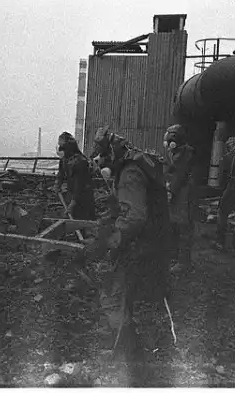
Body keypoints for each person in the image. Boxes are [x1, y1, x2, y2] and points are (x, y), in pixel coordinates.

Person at [85, 126, 171, 356]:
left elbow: (134, 217)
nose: (101, 165)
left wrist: (110, 242)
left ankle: (129, 347)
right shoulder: (130, 165)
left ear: (110, 155)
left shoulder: (129, 175)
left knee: (116, 291)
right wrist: (104, 225)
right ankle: (133, 341)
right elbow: (119, 205)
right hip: (154, 238)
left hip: (145, 243)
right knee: (134, 293)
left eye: (102, 160)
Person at [163, 124, 196, 270]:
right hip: (178, 190)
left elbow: (181, 174)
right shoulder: (176, 152)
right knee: (173, 223)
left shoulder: (186, 153)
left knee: (184, 226)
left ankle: (183, 262)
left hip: (184, 192)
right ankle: (174, 256)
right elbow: (172, 168)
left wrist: (171, 190)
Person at [52, 132, 96, 221]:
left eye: (61, 147)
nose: (59, 149)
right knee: (71, 215)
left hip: (84, 195)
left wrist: (73, 203)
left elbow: (79, 185)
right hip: (71, 191)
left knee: (83, 219)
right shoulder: (64, 159)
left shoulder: (80, 162)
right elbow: (61, 173)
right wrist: (57, 184)